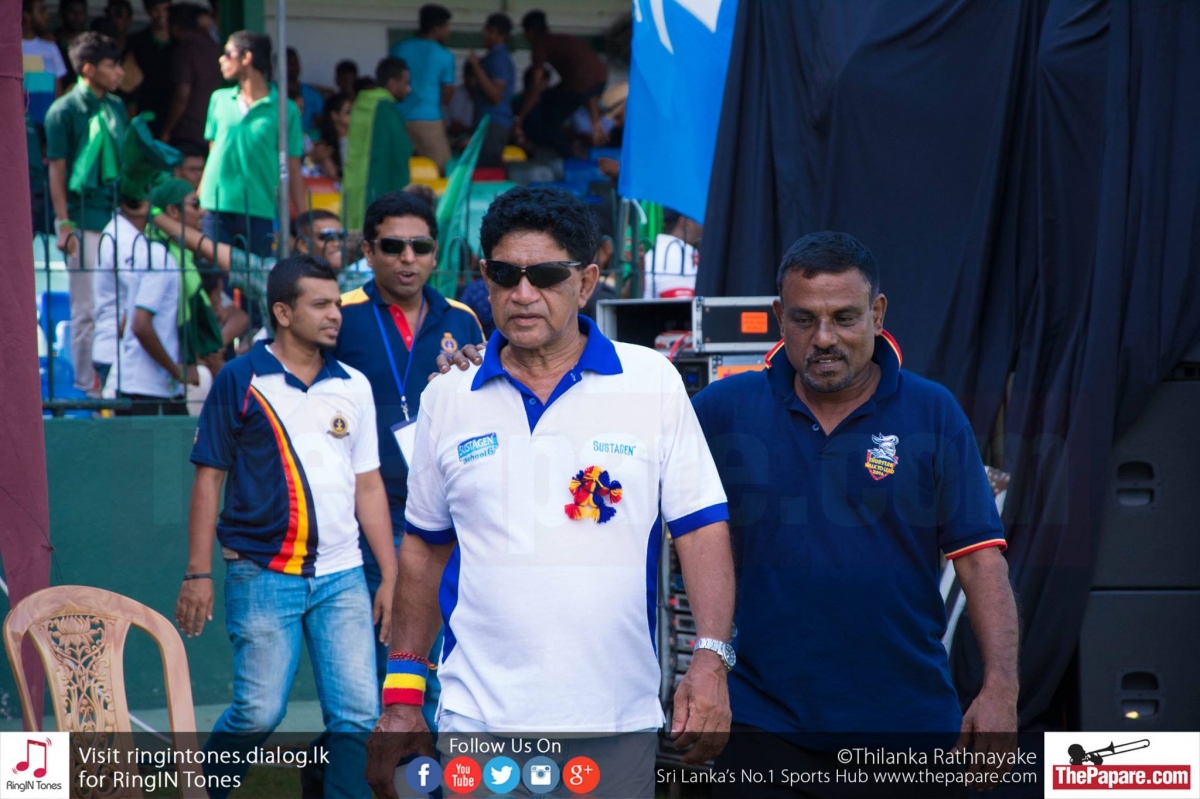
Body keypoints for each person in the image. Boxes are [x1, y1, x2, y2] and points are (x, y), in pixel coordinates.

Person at [365, 186, 736, 798]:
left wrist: (710, 658)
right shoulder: (447, 396)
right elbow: (425, 550)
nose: (523, 293)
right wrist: (403, 700)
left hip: (613, 722)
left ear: (585, 282)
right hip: (477, 724)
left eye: (545, 275)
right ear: (484, 277)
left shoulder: (651, 382)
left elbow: (699, 529)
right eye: (505, 275)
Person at [689, 232, 1018, 797]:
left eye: (844, 318)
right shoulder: (722, 411)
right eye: (804, 320)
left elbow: (981, 561)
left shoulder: (932, 412)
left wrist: (1001, 690)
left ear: (877, 313)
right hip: (761, 723)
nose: (824, 338)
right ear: (779, 317)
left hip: (905, 725)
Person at [177, 255, 396, 799]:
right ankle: (202, 790)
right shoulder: (240, 379)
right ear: (282, 312)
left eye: (336, 304)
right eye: (320, 305)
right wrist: (198, 573)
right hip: (261, 572)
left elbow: (368, 485)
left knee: (357, 714)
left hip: (344, 575)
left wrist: (391, 576)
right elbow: (209, 479)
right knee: (258, 712)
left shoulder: (354, 384)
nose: (335, 315)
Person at [335, 192, 484, 696]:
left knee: (436, 663)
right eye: (392, 246)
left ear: (435, 253)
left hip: (444, 510)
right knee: (382, 668)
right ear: (368, 250)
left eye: (420, 247)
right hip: (364, 514)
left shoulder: (462, 318)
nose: (407, 258)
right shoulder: (341, 315)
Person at [45, 31, 128, 396]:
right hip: (81, 219)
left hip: (116, 218)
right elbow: (57, 169)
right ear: (89, 69)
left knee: (120, 303)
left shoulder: (116, 107)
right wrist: (64, 223)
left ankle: (114, 382)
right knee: (86, 309)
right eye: (112, 65)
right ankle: (85, 388)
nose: (120, 72)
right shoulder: (62, 111)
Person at [199, 30, 306, 258]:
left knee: (255, 277)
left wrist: (305, 218)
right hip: (214, 205)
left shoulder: (285, 109)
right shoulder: (218, 99)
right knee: (215, 276)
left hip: (259, 208)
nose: (221, 59)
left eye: (228, 53)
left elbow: (292, 167)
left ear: (247, 57)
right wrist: (200, 198)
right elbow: (213, 153)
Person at [106, 194, 195, 416]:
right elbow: (139, 325)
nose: (203, 213)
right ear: (172, 213)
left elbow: (126, 323)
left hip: (153, 387)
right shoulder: (158, 256)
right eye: (195, 204)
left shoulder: (155, 253)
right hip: (147, 391)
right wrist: (177, 372)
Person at [516, 10, 609, 156]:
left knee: (551, 124)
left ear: (529, 33)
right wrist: (595, 121)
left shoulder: (540, 44)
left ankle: (567, 157)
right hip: (600, 78)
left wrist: (520, 119)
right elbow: (589, 87)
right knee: (551, 100)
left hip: (582, 85)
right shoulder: (561, 40)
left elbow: (535, 87)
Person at [342, 58, 412, 231]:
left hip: (355, 185)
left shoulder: (361, 103)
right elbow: (400, 152)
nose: (409, 89)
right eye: (405, 83)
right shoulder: (385, 108)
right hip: (376, 188)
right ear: (392, 83)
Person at [390, 4, 454, 174]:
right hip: (429, 120)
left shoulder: (399, 48)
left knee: (399, 170)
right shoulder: (444, 55)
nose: (448, 31)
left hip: (398, 117)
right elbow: (447, 96)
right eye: (446, 27)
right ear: (436, 28)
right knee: (442, 171)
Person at [160, 2, 222, 149]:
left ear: (175, 28)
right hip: (213, 130)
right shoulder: (215, 47)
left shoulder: (184, 51)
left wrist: (166, 130)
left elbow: (182, 94)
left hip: (189, 134)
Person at [466, 12, 516, 168]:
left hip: (493, 124)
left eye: (489, 31)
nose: (484, 34)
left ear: (499, 34)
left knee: (488, 172)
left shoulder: (499, 58)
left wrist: (476, 67)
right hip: (486, 124)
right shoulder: (491, 58)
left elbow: (495, 96)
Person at [122, 0, 172, 135]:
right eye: (156, 10)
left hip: (172, 111)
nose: (161, 15)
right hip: (143, 109)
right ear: (148, 11)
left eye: (166, 9)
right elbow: (127, 82)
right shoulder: (137, 41)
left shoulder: (180, 43)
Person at [22, 0, 68, 126]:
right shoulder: (10, 50)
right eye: (42, 11)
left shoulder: (51, 48)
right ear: (26, 16)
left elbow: (58, 91)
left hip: (47, 125)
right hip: (21, 125)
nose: (48, 15)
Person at [644, 207, 702, 299]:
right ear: (686, 222)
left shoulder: (669, 251)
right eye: (699, 219)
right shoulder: (673, 256)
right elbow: (681, 306)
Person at [310, 92, 352, 181]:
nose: (353, 115)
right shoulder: (325, 147)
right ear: (334, 115)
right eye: (348, 112)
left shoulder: (358, 141)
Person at [55, 0, 89, 84]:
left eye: (81, 12)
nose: (77, 17)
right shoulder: (53, 40)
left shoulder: (91, 41)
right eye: (72, 12)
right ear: (62, 12)